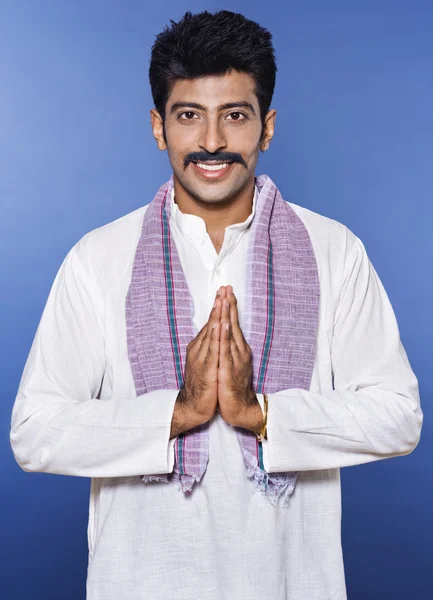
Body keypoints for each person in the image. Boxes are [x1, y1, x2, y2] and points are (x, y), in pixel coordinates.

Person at [10, 9, 423, 600]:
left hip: (290, 583)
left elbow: (398, 415)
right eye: (188, 116)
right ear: (159, 127)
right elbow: (34, 431)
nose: (211, 142)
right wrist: (176, 414)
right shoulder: (99, 259)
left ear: (267, 126)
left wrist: (262, 414)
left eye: (234, 116)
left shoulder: (335, 252)